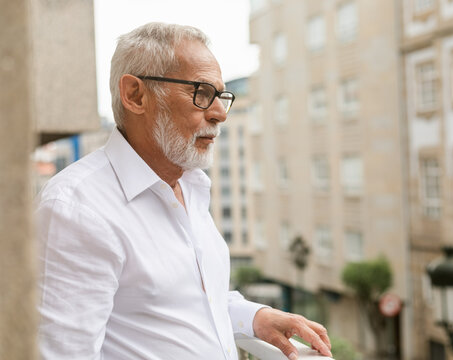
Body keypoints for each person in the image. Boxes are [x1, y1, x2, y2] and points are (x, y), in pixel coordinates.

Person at [35, 22, 332, 360]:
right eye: (201, 93)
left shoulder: (190, 185)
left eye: (221, 96)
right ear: (135, 95)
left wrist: (253, 316)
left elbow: (185, 299)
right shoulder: (75, 208)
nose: (219, 113)